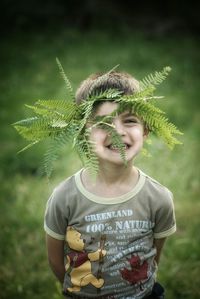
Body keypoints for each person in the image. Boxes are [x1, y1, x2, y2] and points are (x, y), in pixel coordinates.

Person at [44, 71, 176, 299]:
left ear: (146, 130)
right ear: (83, 131)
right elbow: (56, 261)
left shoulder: (158, 198)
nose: (117, 132)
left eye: (130, 120)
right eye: (103, 123)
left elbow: (154, 256)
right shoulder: (64, 197)